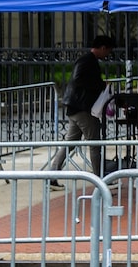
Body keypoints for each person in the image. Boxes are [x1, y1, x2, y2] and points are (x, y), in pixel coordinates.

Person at [47, 35, 116, 176]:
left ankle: (52, 174)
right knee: (94, 144)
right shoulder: (87, 61)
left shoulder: (88, 60)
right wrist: (101, 85)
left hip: (75, 106)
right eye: (108, 51)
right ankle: (100, 178)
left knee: (70, 143)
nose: (108, 54)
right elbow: (79, 79)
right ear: (103, 48)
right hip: (82, 108)